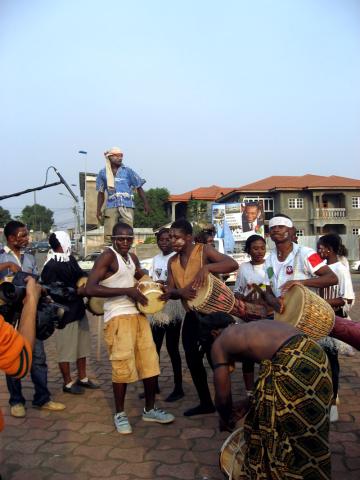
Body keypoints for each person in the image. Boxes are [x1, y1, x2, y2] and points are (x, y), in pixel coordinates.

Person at [201, 314, 332, 480]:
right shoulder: (250, 327)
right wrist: (250, 402)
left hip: (293, 364)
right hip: (316, 355)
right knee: (310, 430)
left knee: (277, 434)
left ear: (213, 333)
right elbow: (270, 378)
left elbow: (222, 396)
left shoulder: (219, 343)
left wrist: (224, 417)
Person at [85, 222, 174, 434]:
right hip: (117, 317)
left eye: (128, 238)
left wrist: (156, 286)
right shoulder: (107, 256)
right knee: (122, 366)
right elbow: (90, 287)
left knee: (150, 363)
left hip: (138, 316)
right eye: (120, 239)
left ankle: (150, 409)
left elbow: (142, 278)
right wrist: (127, 291)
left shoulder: (132, 257)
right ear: (113, 239)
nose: (125, 242)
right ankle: (120, 414)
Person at [163, 218, 238, 416]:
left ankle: (226, 405)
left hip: (213, 316)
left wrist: (207, 268)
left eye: (177, 237)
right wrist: (180, 293)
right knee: (193, 360)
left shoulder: (204, 251)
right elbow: (171, 290)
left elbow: (232, 263)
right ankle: (206, 402)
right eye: (171, 237)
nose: (173, 241)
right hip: (192, 316)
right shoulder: (172, 261)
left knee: (218, 362)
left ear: (189, 237)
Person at [0, 221, 65, 417]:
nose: (27, 238)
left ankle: (42, 398)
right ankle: (16, 401)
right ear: (11, 239)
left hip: (31, 312)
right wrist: (8, 265)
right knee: (13, 356)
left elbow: (36, 281)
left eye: (27, 235)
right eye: (23, 235)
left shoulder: (30, 257)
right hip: (10, 316)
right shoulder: (1, 256)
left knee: (38, 357)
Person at [41, 231, 99, 394]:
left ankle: (83, 377)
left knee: (82, 346)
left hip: (78, 310)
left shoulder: (70, 259)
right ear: (61, 243)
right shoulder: (51, 265)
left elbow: (81, 275)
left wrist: (89, 280)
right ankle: (67, 383)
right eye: (67, 240)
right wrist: (77, 292)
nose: (70, 243)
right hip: (64, 314)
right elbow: (52, 290)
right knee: (65, 349)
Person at [317, 233, 355, 422]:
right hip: (318, 318)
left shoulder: (340, 268)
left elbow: (346, 298)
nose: (318, 251)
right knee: (319, 360)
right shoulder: (320, 268)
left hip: (333, 320)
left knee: (331, 361)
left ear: (329, 249)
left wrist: (322, 302)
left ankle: (333, 402)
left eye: (321, 247)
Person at [263, 214, 337, 308]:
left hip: (306, 314)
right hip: (282, 316)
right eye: (272, 227)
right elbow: (268, 291)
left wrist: (301, 282)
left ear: (291, 230)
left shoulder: (307, 254)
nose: (276, 229)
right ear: (269, 233)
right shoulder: (269, 260)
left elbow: (332, 278)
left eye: (281, 227)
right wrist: (273, 301)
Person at [145, 228, 185, 402]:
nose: (164, 242)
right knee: (154, 348)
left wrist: (167, 286)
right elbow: (152, 279)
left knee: (172, 348)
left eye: (167, 239)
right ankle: (153, 385)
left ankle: (178, 387)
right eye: (160, 240)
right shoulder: (155, 259)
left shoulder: (176, 259)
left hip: (173, 307)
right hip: (157, 307)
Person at [233, 234, 267, 394]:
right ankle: (249, 390)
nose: (259, 251)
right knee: (248, 353)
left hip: (267, 316)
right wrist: (243, 299)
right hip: (248, 316)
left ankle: (265, 386)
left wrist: (261, 291)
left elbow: (274, 287)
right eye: (255, 248)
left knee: (265, 353)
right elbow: (238, 291)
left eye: (262, 248)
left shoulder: (271, 266)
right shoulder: (244, 268)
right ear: (248, 250)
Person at [96, 147, 150, 243]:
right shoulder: (102, 173)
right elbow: (100, 193)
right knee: (109, 235)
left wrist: (146, 204)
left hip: (127, 205)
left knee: (127, 233)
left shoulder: (128, 171)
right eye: (117, 156)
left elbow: (139, 187)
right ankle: (111, 254)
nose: (120, 158)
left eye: (121, 156)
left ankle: (128, 253)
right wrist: (98, 210)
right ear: (110, 157)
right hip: (111, 206)